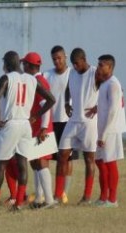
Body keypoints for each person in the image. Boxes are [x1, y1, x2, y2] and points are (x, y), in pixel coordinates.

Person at [0, 51, 55, 212]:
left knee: (0, 164)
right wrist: (35, 116)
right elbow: (51, 99)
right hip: (25, 126)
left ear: (7, 63)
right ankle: (19, 203)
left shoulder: (6, 78)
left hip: (11, 123)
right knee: (22, 164)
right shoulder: (31, 79)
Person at [54, 47, 98, 205]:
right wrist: (66, 103)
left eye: (77, 63)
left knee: (89, 159)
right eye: (73, 64)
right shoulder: (72, 72)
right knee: (62, 155)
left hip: (89, 123)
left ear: (84, 59)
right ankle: (58, 195)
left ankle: (86, 197)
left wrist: (98, 106)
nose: (75, 67)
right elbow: (67, 88)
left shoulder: (95, 72)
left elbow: (111, 89)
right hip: (72, 121)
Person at [43, 45, 79, 204]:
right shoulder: (47, 74)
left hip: (68, 122)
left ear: (65, 57)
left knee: (68, 159)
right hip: (51, 122)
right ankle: (49, 191)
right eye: (54, 59)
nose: (57, 61)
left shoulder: (74, 73)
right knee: (49, 159)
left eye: (59, 58)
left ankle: (64, 192)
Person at [21, 52, 56, 208]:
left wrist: (43, 128)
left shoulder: (39, 81)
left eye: (24, 64)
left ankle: (49, 201)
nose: (22, 67)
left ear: (29, 66)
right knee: (35, 163)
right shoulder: (34, 80)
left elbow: (46, 106)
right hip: (36, 128)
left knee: (41, 162)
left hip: (42, 128)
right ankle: (39, 199)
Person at [95, 54, 126, 208]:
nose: (98, 68)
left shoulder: (113, 84)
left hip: (111, 130)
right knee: (100, 162)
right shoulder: (104, 83)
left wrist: (105, 133)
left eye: (101, 65)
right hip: (102, 129)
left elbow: (114, 110)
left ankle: (112, 200)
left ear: (110, 67)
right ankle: (103, 197)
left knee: (110, 162)